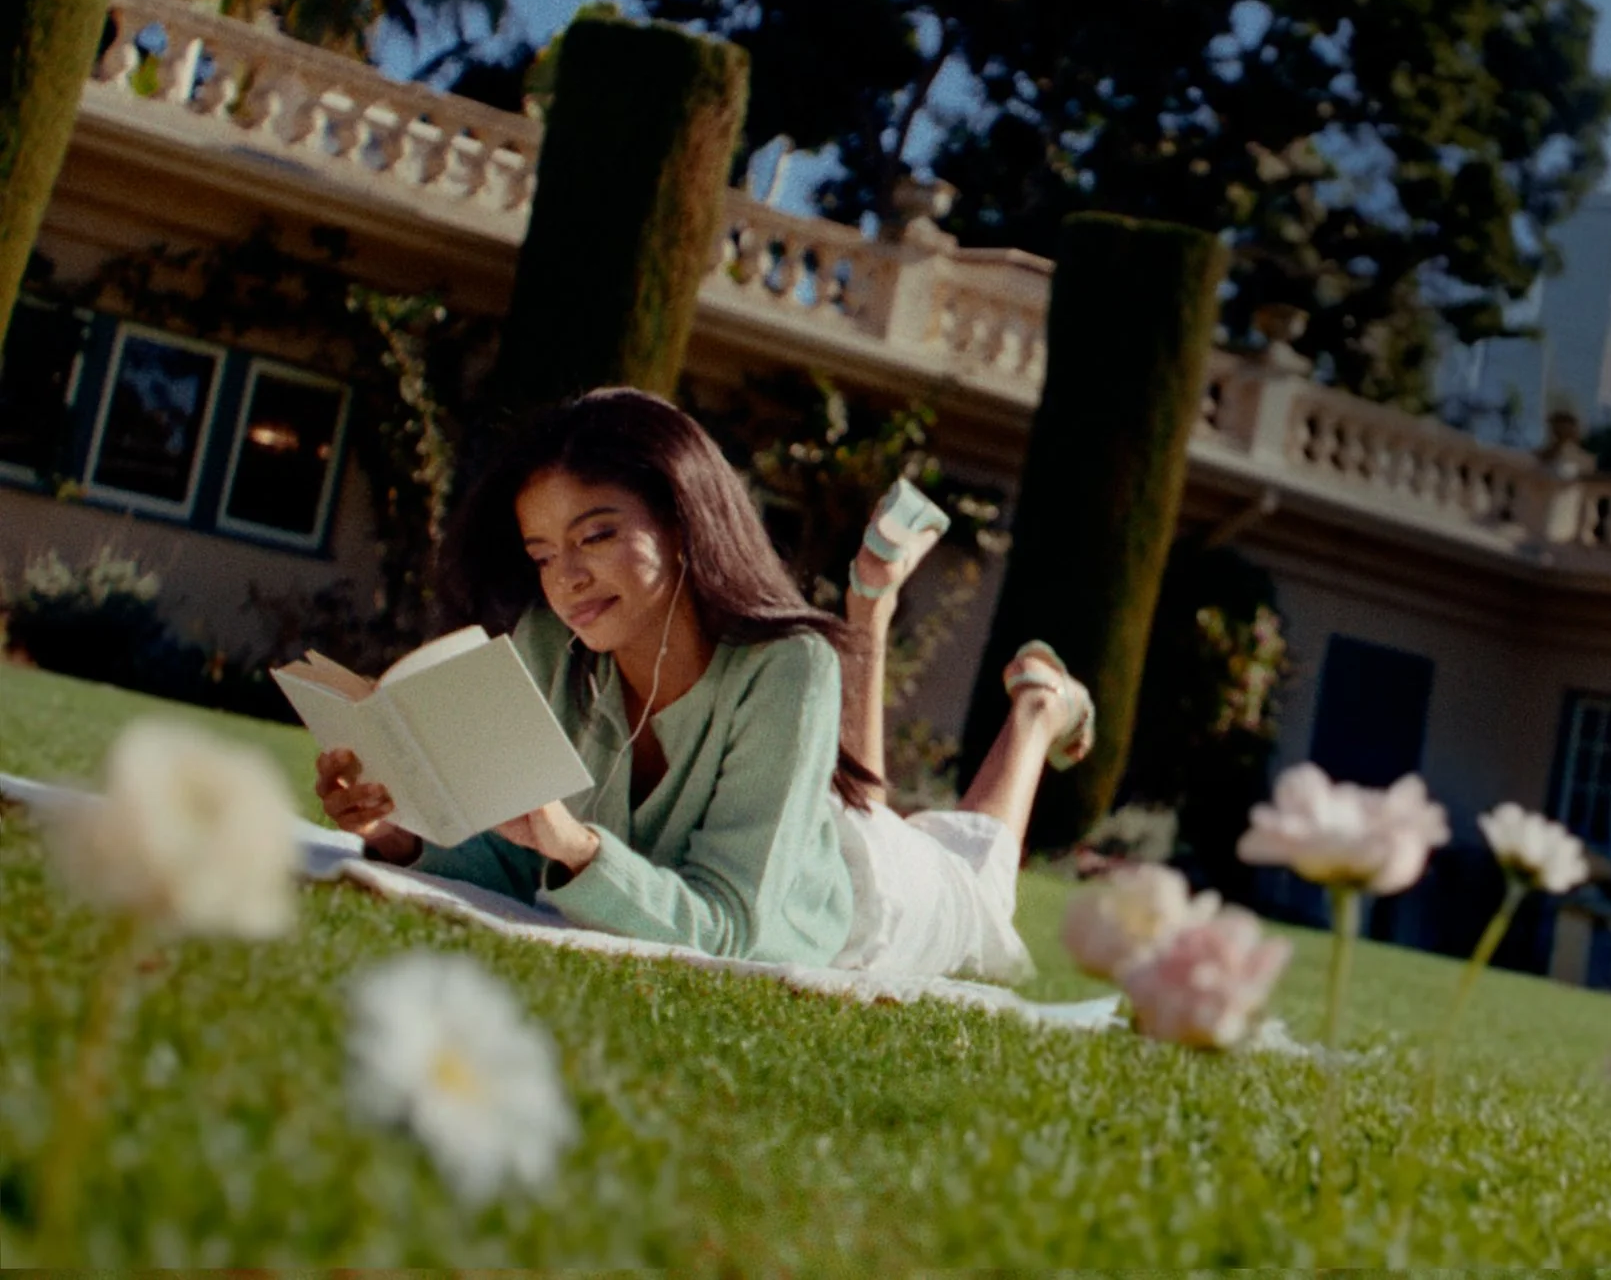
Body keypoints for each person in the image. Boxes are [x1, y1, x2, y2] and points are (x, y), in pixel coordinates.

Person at [313, 387, 1092, 978]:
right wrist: (397, 830)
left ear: (684, 520)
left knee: (978, 874)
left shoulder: (787, 666)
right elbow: (526, 869)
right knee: (868, 795)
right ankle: (871, 604)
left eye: (598, 534)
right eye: (544, 552)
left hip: (866, 895)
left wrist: (577, 846)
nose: (568, 578)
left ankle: (1036, 707)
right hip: (797, 825)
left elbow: (731, 930)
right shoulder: (555, 644)